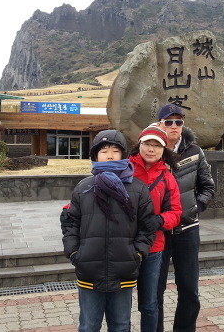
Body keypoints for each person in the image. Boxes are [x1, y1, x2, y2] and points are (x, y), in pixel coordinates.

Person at [61, 129, 155, 332]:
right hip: (89, 270)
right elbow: (70, 223)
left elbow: (147, 227)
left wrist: (137, 254)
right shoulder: (84, 187)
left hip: (123, 271)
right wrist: (75, 253)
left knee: (120, 327)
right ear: (95, 156)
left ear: (124, 154)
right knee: (88, 327)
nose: (110, 156)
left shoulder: (138, 189)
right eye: (104, 151)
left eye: (115, 150)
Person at [155, 104, 215, 332]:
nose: (174, 126)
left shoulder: (195, 152)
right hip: (158, 232)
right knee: (154, 291)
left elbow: (208, 186)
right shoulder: (151, 150)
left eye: (178, 122)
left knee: (189, 290)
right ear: (160, 124)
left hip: (187, 229)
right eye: (168, 121)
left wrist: (195, 207)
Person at [129, 125, 182, 332]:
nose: (151, 149)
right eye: (147, 144)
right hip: (124, 245)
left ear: (163, 150)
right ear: (139, 145)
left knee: (150, 303)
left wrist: (160, 220)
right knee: (121, 302)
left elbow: (175, 212)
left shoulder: (168, 178)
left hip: (153, 247)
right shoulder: (125, 170)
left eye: (157, 145)